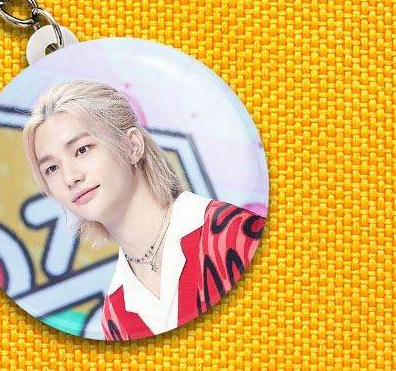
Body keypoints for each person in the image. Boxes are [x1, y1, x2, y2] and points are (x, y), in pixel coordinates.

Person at [21, 79, 265, 340]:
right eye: (51, 168)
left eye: (82, 149)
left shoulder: (234, 236)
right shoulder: (115, 315)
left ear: (132, 146)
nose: (70, 178)